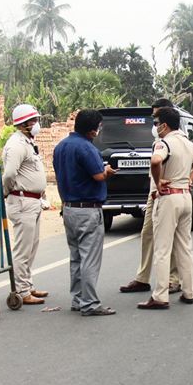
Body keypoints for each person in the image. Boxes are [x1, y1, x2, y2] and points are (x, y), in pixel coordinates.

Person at [137, 107, 193, 309]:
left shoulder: (163, 143)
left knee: (162, 248)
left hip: (168, 198)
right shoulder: (187, 143)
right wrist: (189, 179)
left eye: (156, 123)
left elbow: (156, 160)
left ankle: (160, 296)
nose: (155, 127)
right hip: (185, 197)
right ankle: (189, 292)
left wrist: (158, 181)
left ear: (164, 125)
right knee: (185, 247)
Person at [53, 109, 118, 316]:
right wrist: (107, 171)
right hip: (88, 209)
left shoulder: (61, 147)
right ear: (92, 130)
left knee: (76, 257)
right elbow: (98, 176)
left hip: (69, 207)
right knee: (89, 257)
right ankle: (90, 303)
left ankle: (78, 298)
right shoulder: (87, 149)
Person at [119, 98, 181, 296]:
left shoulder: (177, 136)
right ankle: (142, 278)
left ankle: (173, 280)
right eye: (153, 116)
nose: (154, 121)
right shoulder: (158, 137)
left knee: (169, 238)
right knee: (147, 234)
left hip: (169, 192)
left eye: (158, 116)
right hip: (154, 191)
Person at [1, 103, 49, 305]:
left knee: (32, 246)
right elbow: (9, 174)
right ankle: (21, 290)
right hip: (22, 200)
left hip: (32, 200)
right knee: (23, 248)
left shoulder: (28, 142)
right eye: (34, 121)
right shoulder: (17, 145)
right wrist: (8, 191)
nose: (36, 124)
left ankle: (27, 285)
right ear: (23, 123)